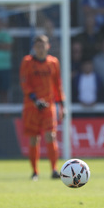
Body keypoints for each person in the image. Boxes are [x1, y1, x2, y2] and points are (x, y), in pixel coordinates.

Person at [20, 35, 65, 181]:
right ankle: (35, 172)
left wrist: (61, 104)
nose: (41, 48)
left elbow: (57, 84)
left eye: (43, 45)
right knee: (34, 139)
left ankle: (54, 169)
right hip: (31, 106)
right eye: (38, 46)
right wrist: (34, 99)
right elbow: (24, 83)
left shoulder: (53, 62)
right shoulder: (27, 62)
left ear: (48, 46)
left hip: (48, 105)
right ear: (34, 47)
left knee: (51, 136)